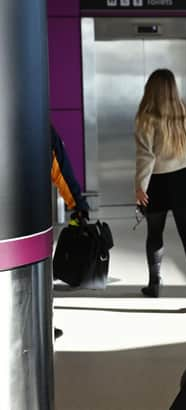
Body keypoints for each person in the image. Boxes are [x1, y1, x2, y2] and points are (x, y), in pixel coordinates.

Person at [134, 68, 186, 311]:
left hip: (157, 182)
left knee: (155, 234)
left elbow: (146, 156)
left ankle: (154, 284)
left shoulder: (146, 117)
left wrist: (140, 187)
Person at [51, 124, 91, 340]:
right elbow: (60, 168)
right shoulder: (33, 119)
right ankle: (40, 324)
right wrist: (78, 205)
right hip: (23, 218)